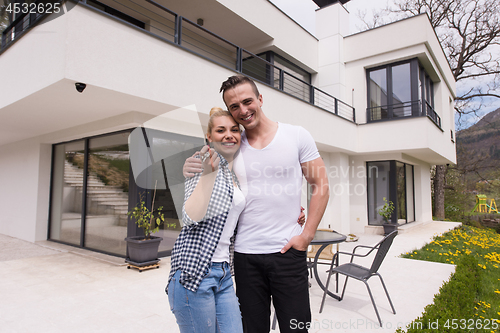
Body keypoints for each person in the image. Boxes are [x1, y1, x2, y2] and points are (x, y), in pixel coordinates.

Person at [183, 75, 330, 333]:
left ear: (260, 99)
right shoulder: (233, 146)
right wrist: (188, 166)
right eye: (234, 107)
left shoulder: (296, 135)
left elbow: (321, 186)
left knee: (297, 328)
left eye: (247, 101)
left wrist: (306, 236)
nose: (243, 110)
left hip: (288, 253)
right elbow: (206, 169)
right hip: (245, 256)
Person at [167, 107, 244, 333]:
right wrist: (207, 176)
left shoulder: (233, 175)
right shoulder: (202, 162)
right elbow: (190, 217)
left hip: (224, 273)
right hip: (195, 272)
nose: (229, 135)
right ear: (209, 137)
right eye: (221, 130)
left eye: (234, 130)